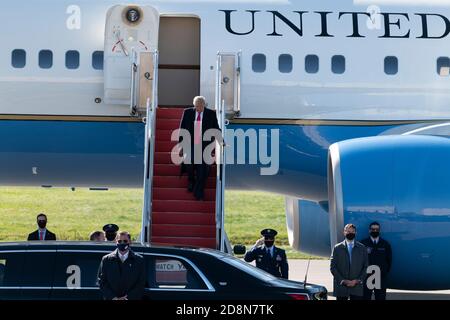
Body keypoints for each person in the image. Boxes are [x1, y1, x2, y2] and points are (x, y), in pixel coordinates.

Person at [178, 96, 220, 201]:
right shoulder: (187, 112)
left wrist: (222, 141)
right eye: (196, 106)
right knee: (189, 161)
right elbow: (182, 129)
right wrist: (181, 146)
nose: (198, 108)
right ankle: (191, 179)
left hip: (205, 145)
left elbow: (216, 128)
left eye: (200, 106)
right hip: (190, 143)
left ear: (204, 105)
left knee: (204, 168)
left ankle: (199, 192)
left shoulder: (211, 114)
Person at [97, 231, 146, 300]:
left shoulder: (139, 260)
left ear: (130, 242)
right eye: (119, 241)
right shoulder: (106, 260)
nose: (122, 243)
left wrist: (127, 298)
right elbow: (101, 282)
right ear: (116, 242)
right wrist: (113, 298)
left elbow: (141, 283)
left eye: (125, 241)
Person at [330, 224, 368, 300]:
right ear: (344, 232)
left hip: (356, 287)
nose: (350, 233)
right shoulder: (337, 248)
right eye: (348, 231)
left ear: (355, 233)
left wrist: (357, 280)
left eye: (352, 231)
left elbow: (366, 267)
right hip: (341, 287)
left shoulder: (362, 248)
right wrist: (343, 280)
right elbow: (333, 267)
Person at [361, 222, 392, 300]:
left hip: (380, 277)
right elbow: (359, 260)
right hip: (367, 277)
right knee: (365, 297)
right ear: (369, 230)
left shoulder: (385, 244)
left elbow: (389, 260)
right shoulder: (363, 244)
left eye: (377, 229)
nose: (375, 231)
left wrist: (383, 272)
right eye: (373, 229)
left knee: (380, 297)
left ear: (379, 230)